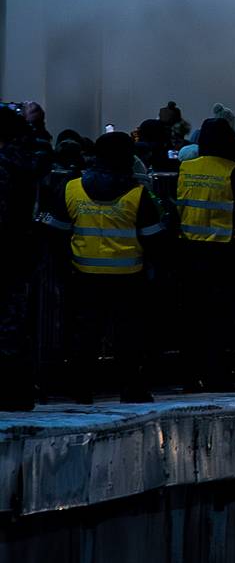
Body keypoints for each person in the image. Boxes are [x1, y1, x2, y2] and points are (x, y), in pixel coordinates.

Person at [40, 130, 169, 403]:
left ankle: (81, 389)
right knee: (128, 335)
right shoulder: (138, 194)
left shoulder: (71, 187)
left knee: (85, 333)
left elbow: (56, 232)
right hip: (129, 276)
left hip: (83, 274)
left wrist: (66, 267)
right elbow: (154, 239)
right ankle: (131, 388)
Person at [175, 117, 235, 392]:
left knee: (191, 316)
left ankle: (190, 375)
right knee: (222, 317)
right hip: (226, 252)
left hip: (189, 250)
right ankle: (218, 374)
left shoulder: (185, 168)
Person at [0, 109, 47, 410]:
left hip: (6, 248)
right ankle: (18, 390)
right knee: (14, 323)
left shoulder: (4, 165)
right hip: (20, 249)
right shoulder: (27, 162)